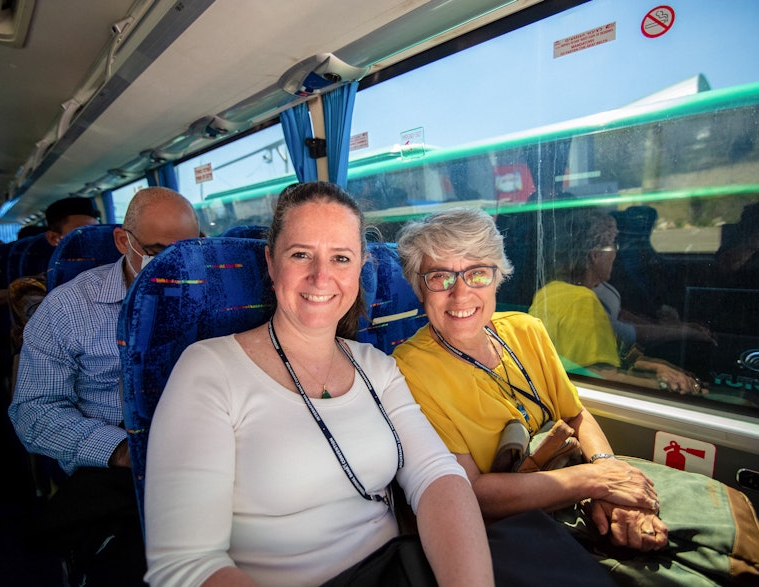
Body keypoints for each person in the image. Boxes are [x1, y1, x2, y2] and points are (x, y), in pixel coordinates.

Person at [391, 208, 759, 585]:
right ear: (418, 287)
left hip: (576, 482)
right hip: (516, 523)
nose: (460, 294)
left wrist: (613, 486)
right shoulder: (409, 369)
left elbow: (576, 417)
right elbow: (474, 493)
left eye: (477, 273)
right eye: (439, 277)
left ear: (498, 277)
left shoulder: (526, 330)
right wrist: (596, 482)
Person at [143, 182, 495, 587]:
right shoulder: (209, 370)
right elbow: (187, 566)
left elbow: (437, 476)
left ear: (360, 266)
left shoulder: (376, 367)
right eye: (301, 254)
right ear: (271, 263)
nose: (321, 276)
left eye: (341, 258)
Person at [8, 187, 201, 586]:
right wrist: (122, 451)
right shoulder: (67, 308)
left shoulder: (215, 295)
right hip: (119, 469)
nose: (174, 266)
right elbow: (34, 411)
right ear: (122, 241)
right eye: (158, 250)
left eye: (187, 250)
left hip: (207, 447)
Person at [528, 208, 705, 395]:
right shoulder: (583, 301)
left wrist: (657, 367)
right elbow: (600, 377)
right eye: (613, 245)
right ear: (595, 255)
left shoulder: (549, 292)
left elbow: (577, 362)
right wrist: (664, 385)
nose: (615, 253)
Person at [7, 196, 101, 354]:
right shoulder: (29, 288)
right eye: (81, 233)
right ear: (53, 238)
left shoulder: (117, 275)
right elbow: (55, 342)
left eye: (97, 232)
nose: (93, 240)